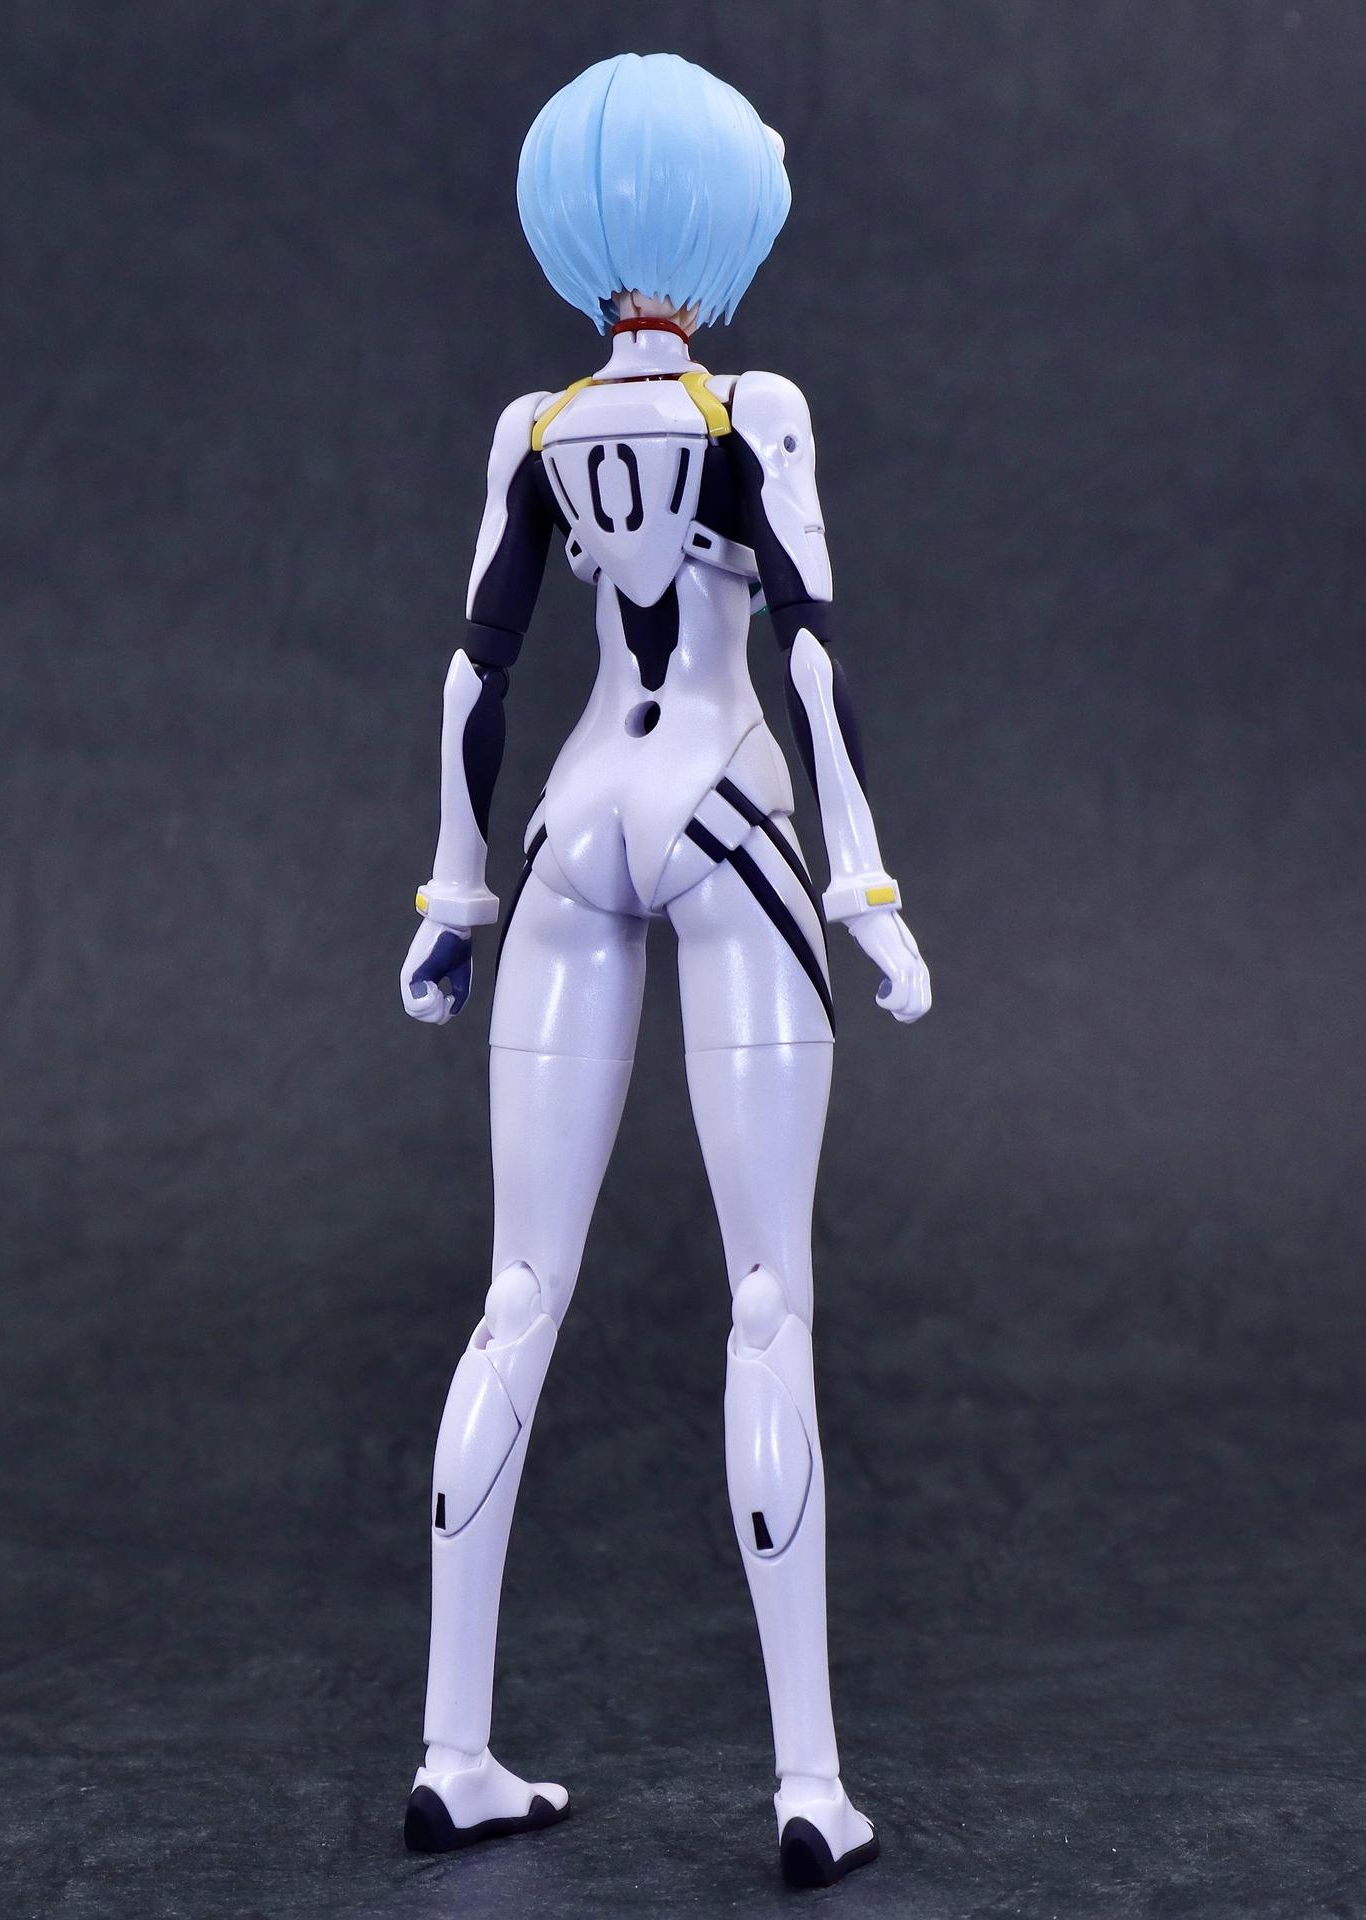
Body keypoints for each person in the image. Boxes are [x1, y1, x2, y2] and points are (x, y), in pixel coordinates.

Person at [398, 52, 931, 1888]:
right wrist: (864, 884)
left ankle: (451, 1747)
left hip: (568, 824)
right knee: (767, 1296)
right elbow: (811, 650)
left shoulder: (536, 430)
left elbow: (475, 673)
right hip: (721, 810)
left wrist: (453, 898)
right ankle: (809, 1784)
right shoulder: (750, 405)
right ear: (725, 225)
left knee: (515, 1290)